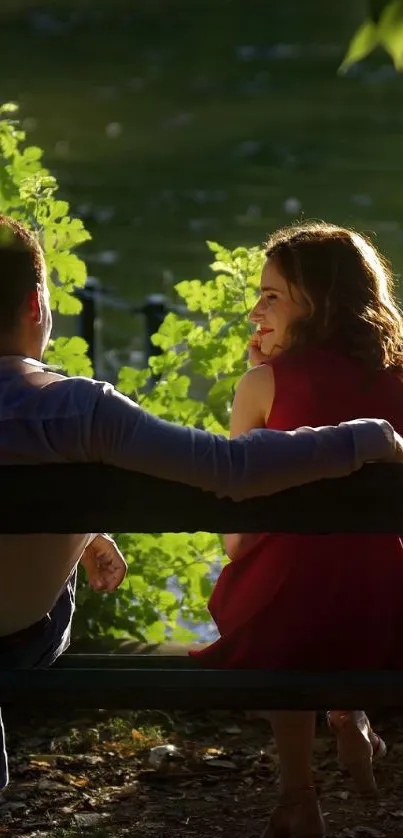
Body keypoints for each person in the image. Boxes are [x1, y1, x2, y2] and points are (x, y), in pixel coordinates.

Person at [0, 217, 399, 797]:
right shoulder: (75, 410)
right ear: (38, 304)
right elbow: (230, 471)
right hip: (18, 634)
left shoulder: (267, 382)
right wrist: (366, 437)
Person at [190, 221, 403, 838]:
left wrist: (263, 379)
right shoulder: (398, 382)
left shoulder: (263, 385)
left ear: (319, 302)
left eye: (271, 295)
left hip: (286, 618)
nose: (254, 309)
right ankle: (349, 712)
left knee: (283, 586)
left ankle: (297, 794)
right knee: (345, 572)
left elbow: (238, 534)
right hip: (384, 611)